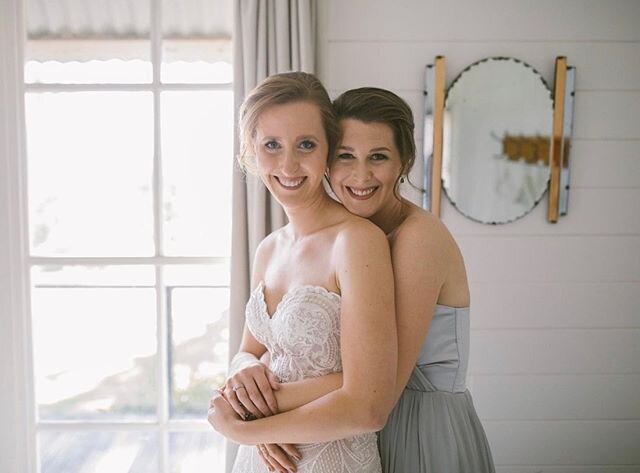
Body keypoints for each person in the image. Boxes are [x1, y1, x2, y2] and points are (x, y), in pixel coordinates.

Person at [225, 87, 495, 473]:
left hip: (418, 427)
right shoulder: (326, 240)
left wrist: (253, 418)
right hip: (338, 426)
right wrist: (243, 376)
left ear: (404, 162)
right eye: (345, 156)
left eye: (379, 157)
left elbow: (376, 391)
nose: (360, 175)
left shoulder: (417, 238)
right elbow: (269, 350)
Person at [207, 74, 398, 473]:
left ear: (328, 151)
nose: (289, 165)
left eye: (306, 145)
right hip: (259, 459)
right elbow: (250, 350)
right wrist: (243, 371)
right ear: (250, 153)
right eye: (271, 146)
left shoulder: (357, 242)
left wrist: (244, 428)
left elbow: (368, 406)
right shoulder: (268, 248)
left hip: (332, 460)